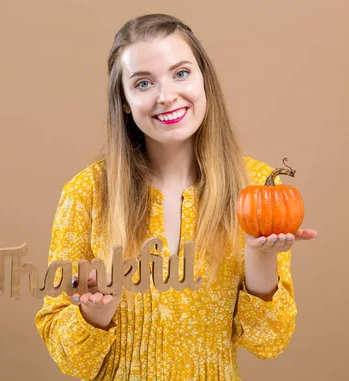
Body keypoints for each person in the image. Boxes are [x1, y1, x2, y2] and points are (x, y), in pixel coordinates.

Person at [34, 13, 317, 381]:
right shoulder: (87, 193)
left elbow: (269, 342)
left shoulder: (256, 188)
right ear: (123, 100)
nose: (167, 96)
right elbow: (72, 360)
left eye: (181, 73)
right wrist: (98, 308)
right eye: (143, 83)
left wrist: (260, 257)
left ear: (204, 80)